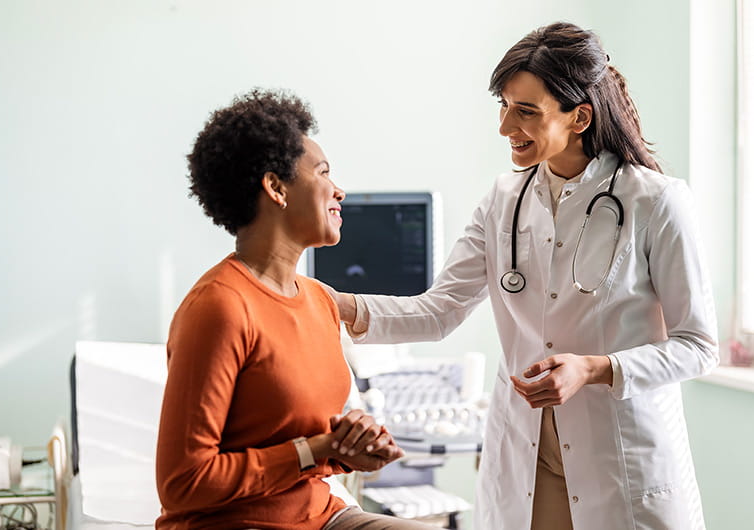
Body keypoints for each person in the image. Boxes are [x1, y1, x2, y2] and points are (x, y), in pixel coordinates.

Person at [325, 23, 718, 530]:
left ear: (580, 117)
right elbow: (439, 310)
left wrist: (594, 368)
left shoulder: (656, 201)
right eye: (504, 106)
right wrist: (326, 303)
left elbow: (698, 345)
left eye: (526, 111)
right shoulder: (502, 200)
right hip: (526, 460)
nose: (505, 126)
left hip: (619, 460)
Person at [155, 89, 436, 529]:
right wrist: (317, 450)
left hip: (320, 516)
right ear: (276, 187)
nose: (339, 190)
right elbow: (183, 482)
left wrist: (348, 444)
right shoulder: (219, 308)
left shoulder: (320, 300)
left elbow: (310, 437)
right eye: (324, 173)